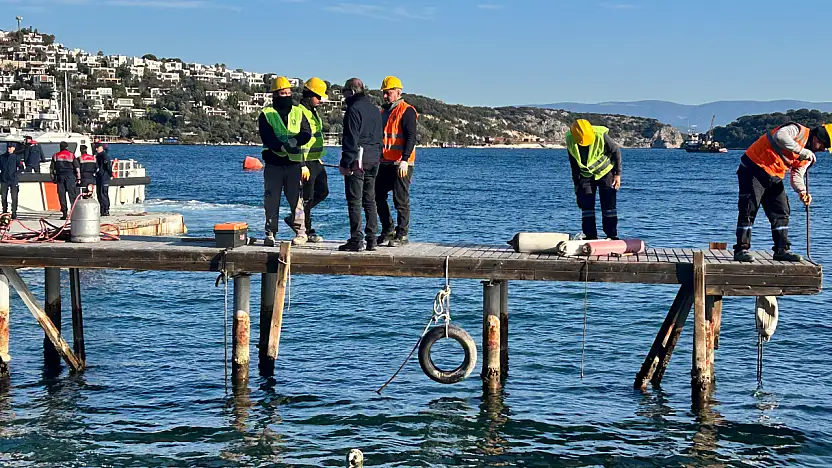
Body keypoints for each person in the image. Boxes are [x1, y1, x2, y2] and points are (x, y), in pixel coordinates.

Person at [733, 122, 832, 262]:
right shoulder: (797, 130)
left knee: (781, 210)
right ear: (818, 138)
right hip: (753, 168)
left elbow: (797, 174)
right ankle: (741, 250)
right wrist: (801, 151)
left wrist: (802, 191)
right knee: (749, 209)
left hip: (774, 176)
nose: (822, 150)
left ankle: (781, 250)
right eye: (824, 146)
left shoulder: (807, 155)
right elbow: (780, 136)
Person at [258, 76, 312, 247]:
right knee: (271, 200)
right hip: (274, 163)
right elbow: (267, 137)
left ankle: (301, 233)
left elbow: (306, 132)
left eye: (288, 93)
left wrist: (295, 141)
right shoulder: (267, 114)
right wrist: (281, 147)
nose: (287, 96)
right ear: (275, 95)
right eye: (283, 93)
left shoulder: (298, 112)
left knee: (297, 201)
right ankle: (270, 233)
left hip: (294, 164)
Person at [338, 77, 383, 252]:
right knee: (370, 199)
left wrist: (345, 163)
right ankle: (372, 239)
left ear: (351, 92)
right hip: (374, 158)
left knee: (354, 200)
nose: (344, 97)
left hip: (358, 160)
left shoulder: (353, 110)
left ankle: (356, 239)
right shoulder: (374, 109)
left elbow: (351, 139)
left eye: (345, 93)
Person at [285, 77, 330, 243]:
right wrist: (302, 164)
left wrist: (318, 158)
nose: (320, 100)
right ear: (309, 95)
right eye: (318, 97)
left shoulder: (313, 111)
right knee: (307, 197)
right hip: (305, 162)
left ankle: (295, 218)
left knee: (323, 191)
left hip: (315, 160)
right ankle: (305, 229)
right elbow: (297, 139)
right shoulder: (299, 111)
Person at [376, 76, 418, 247]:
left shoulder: (407, 110)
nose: (386, 96)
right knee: (376, 195)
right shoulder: (383, 112)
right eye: (384, 93)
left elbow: (411, 137)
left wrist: (405, 160)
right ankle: (388, 229)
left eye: (389, 92)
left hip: (401, 163)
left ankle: (402, 234)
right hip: (385, 161)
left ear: (398, 92)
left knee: (400, 199)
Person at [566, 119, 622, 240]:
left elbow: (616, 152)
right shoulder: (570, 139)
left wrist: (617, 174)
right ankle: (590, 235)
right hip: (585, 175)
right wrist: (576, 185)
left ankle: (611, 235)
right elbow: (573, 164)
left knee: (608, 205)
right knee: (586, 205)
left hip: (605, 172)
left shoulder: (601, 135)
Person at [50, 141, 80, 220]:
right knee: (72, 195)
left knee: (61, 195)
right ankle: (74, 213)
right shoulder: (71, 155)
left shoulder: (55, 156)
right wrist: (78, 178)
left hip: (60, 177)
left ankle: (64, 214)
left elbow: (52, 169)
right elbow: (77, 167)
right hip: (70, 177)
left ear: (60, 147)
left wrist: (53, 178)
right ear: (67, 147)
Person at [0, 142, 24, 218]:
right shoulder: (2, 157)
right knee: (3, 197)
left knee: (14, 197)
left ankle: (14, 212)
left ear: (14, 148)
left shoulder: (16, 157)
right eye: (8, 147)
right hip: (4, 180)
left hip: (13, 180)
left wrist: (16, 174)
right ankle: (4, 211)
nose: (9, 149)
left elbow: (21, 168)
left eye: (10, 148)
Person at [94, 142, 113, 216]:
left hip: (104, 177)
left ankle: (106, 209)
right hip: (99, 177)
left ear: (101, 148)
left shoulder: (104, 156)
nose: (96, 149)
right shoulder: (98, 156)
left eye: (97, 148)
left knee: (103, 193)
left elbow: (108, 166)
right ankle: (102, 209)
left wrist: (110, 174)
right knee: (99, 193)